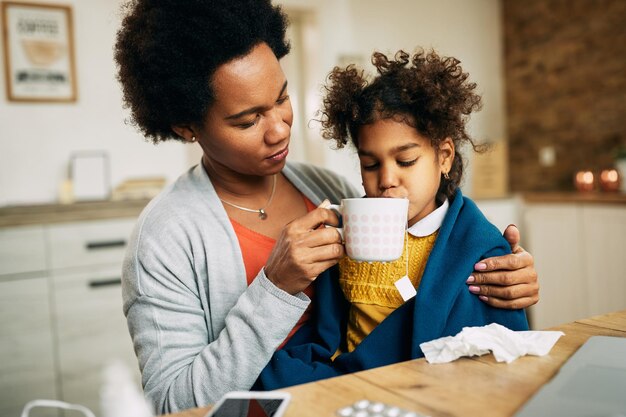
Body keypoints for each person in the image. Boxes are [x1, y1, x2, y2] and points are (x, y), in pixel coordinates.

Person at [114, 0, 539, 413]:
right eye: (248, 120)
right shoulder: (166, 237)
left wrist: (503, 276)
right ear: (187, 126)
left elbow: (429, 264)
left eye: (281, 98)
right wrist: (275, 287)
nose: (280, 130)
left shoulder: (328, 190)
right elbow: (173, 405)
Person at [254, 49, 529, 389]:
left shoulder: (478, 248)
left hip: (432, 388)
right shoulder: (346, 236)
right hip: (350, 389)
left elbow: (498, 347)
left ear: (443, 157)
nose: (386, 179)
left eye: (406, 161)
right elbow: (327, 330)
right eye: (370, 164)